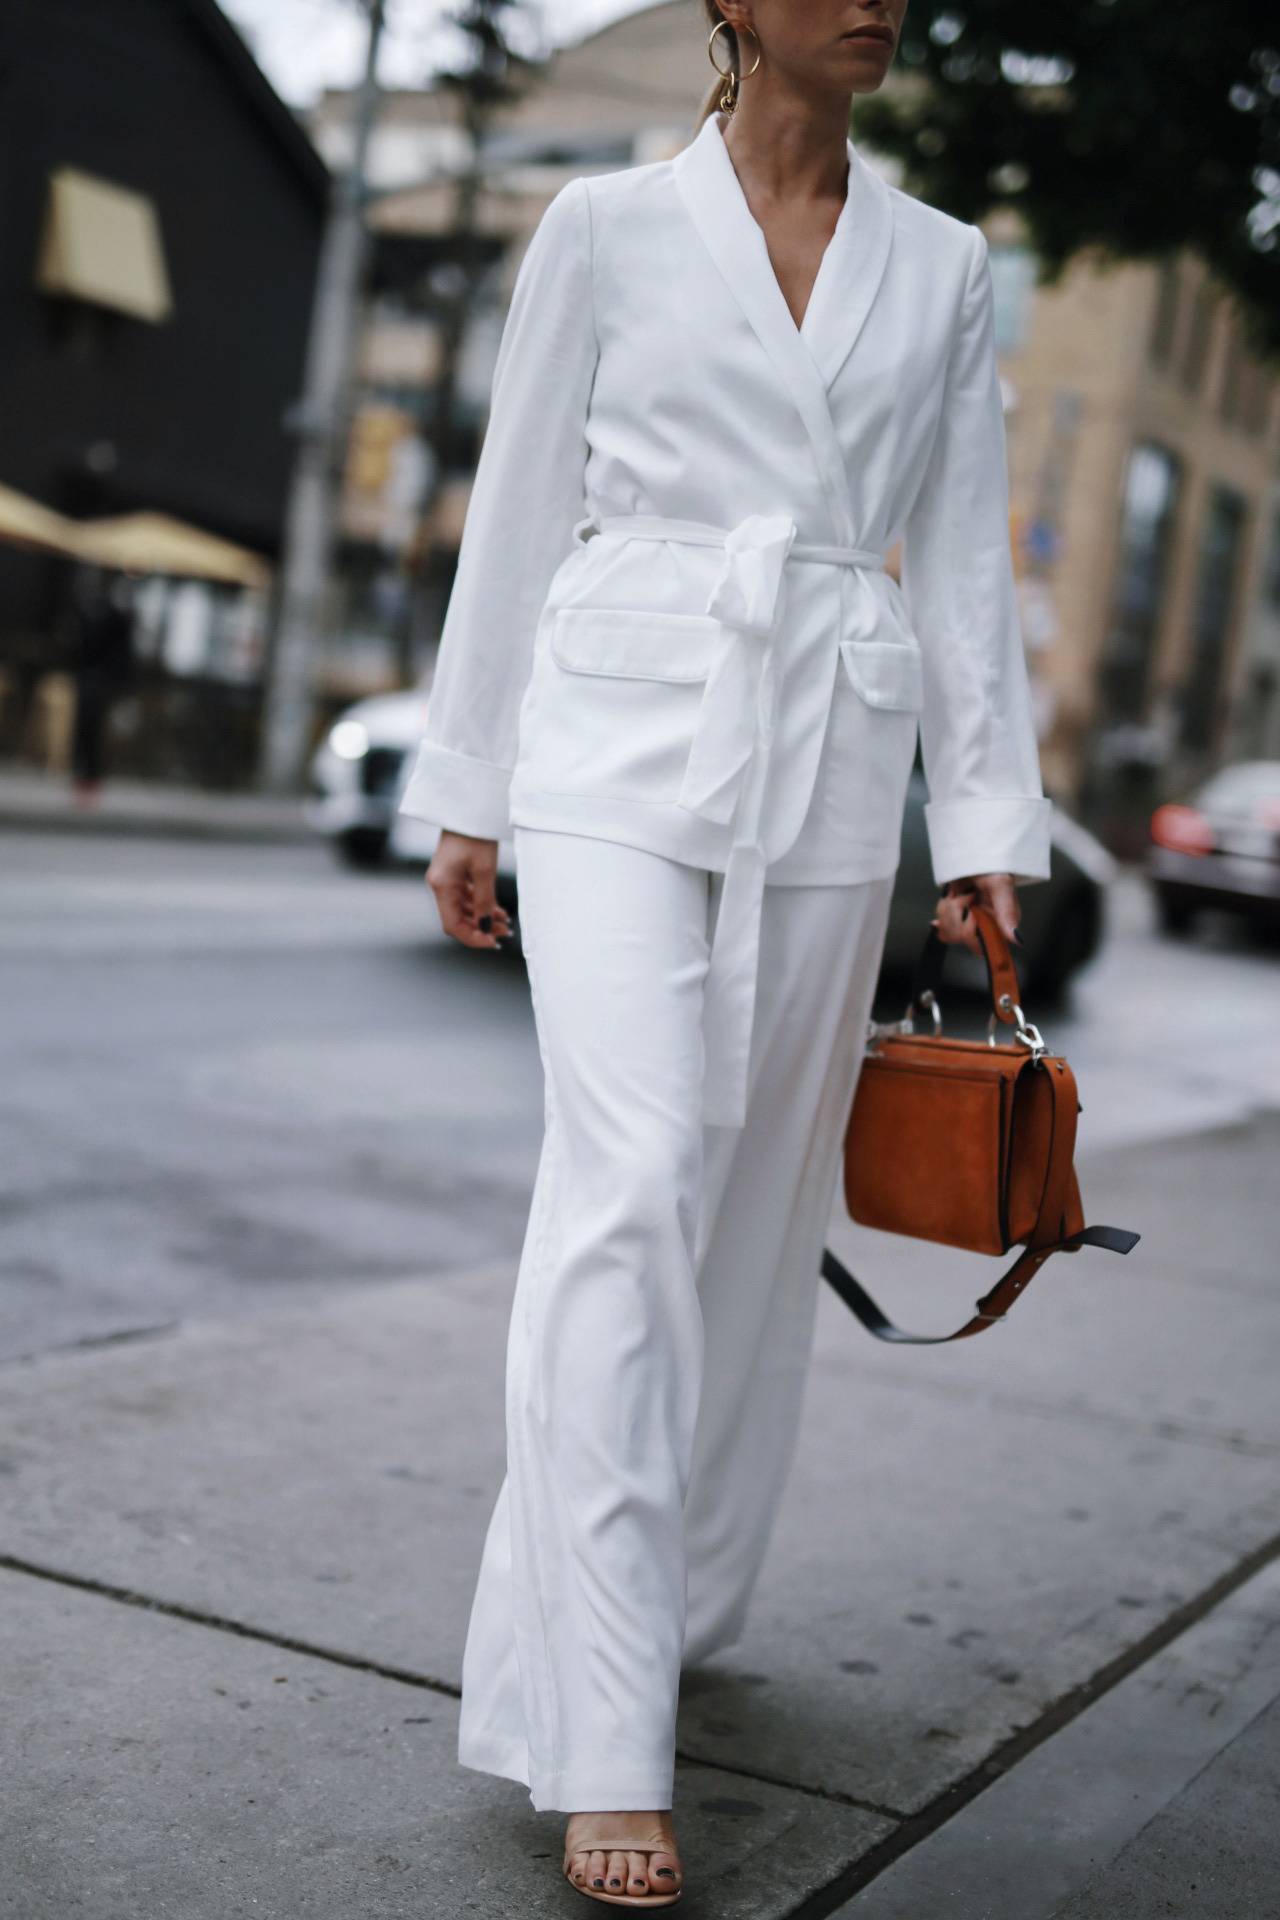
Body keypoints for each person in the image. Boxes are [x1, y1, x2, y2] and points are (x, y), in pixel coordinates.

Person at [397, 1, 1052, 1904]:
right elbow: (515, 507)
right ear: (733, 4)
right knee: (631, 1185)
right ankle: (607, 1732)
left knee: (758, 1215)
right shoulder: (601, 227)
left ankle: (661, 1596)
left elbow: (963, 551)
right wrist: (472, 787)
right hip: (610, 746)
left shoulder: (942, 267)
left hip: (833, 762)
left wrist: (988, 827)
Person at [69, 569, 136, 804]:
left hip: (99, 681)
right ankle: (84, 782)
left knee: (92, 733)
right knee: (86, 733)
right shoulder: (100, 613)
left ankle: (89, 783)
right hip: (94, 680)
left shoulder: (116, 617)